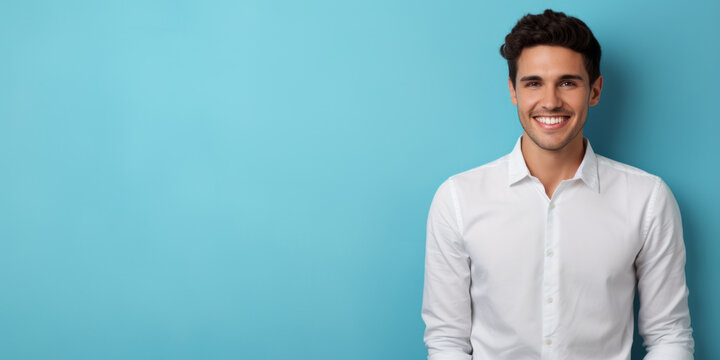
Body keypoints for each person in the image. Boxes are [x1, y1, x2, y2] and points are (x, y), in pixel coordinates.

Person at [421, 9, 694, 360]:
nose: (550, 101)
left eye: (568, 82)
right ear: (513, 91)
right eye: (533, 82)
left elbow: (669, 335)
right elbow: (447, 342)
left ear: (594, 90)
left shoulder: (648, 199)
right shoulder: (458, 199)